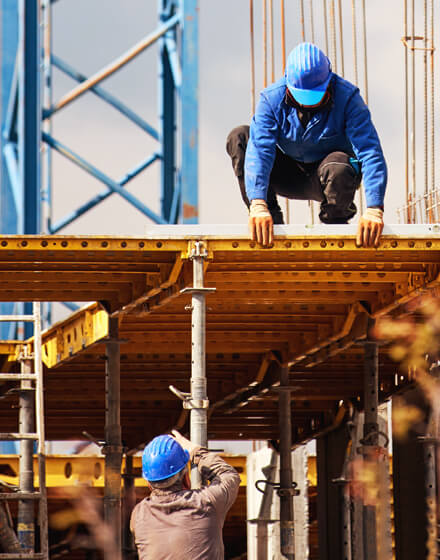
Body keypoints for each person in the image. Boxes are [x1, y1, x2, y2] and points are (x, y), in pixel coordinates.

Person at [226, 42, 387, 248]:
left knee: (339, 165)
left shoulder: (348, 99)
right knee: (240, 137)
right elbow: (259, 151)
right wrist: (257, 203)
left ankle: (334, 225)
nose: (307, 104)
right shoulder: (271, 100)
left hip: (328, 178)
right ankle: (269, 221)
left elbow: (369, 152)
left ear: (329, 82)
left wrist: (374, 208)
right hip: (286, 173)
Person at [130, 430, 240, 560]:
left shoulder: (139, 515)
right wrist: (194, 451)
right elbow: (229, 475)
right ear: (186, 478)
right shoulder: (207, 502)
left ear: (149, 483)